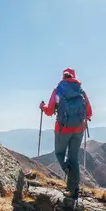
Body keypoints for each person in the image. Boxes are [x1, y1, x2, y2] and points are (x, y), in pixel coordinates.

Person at [40, 68, 93, 199]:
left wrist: (42, 106)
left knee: (59, 153)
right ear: (74, 77)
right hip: (79, 129)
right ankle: (74, 190)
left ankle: (68, 171)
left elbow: (49, 110)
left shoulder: (58, 90)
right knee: (73, 157)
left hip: (62, 129)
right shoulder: (81, 91)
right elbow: (89, 112)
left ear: (63, 77)